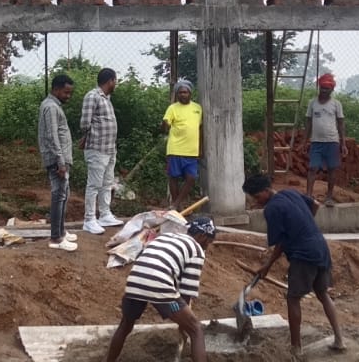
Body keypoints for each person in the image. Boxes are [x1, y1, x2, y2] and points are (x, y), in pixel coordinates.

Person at [243, 174, 345, 356]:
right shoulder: (290, 193)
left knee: (293, 299)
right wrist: (304, 225)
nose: (257, 202)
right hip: (320, 247)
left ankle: (296, 348)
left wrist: (268, 265)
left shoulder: (272, 209)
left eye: (257, 197)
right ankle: (339, 340)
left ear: (266, 190)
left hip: (303, 254)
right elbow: (315, 204)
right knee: (322, 293)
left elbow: (281, 242)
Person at [102, 216, 217, 362]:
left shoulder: (165, 237)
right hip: (159, 284)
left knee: (125, 325)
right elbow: (186, 292)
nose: (208, 246)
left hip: (134, 282)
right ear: (202, 236)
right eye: (209, 241)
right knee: (196, 329)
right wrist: (185, 323)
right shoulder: (196, 250)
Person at [81, 68, 125, 235]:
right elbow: (84, 123)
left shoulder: (107, 98)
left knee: (107, 183)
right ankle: (89, 220)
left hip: (109, 149)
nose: (116, 84)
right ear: (110, 81)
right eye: (115, 81)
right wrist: (90, 136)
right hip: (97, 148)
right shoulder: (92, 96)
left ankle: (105, 214)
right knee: (94, 185)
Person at [38, 74, 79, 251]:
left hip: (59, 159)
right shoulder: (51, 107)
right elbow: (52, 136)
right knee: (59, 196)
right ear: (56, 89)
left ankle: (61, 231)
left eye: (70, 93)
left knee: (63, 194)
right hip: (57, 160)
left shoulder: (53, 106)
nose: (68, 96)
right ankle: (56, 238)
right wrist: (60, 162)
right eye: (66, 92)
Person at [304, 73, 348, 207]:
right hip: (316, 142)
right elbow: (308, 123)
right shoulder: (312, 103)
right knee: (313, 168)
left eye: (327, 88)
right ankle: (308, 196)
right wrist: (305, 141)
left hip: (332, 141)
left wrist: (343, 144)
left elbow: (341, 123)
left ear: (332, 89)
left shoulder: (336, 104)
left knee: (332, 169)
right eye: (322, 88)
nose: (324, 90)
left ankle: (329, 197)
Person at [162, 78, 203, 209]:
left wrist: (201, 148)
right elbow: (165, 126)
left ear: (190, 93)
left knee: (191, 177)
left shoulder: (197, 108)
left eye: (185, 92)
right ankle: (176, 206)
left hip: (191, 150)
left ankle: (176, 203)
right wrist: (164, 124)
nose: (183, 95)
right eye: (180, 92)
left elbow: (200, 129)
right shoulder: (172, 108)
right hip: (175, 149)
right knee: (173, 177)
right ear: (177, 94)